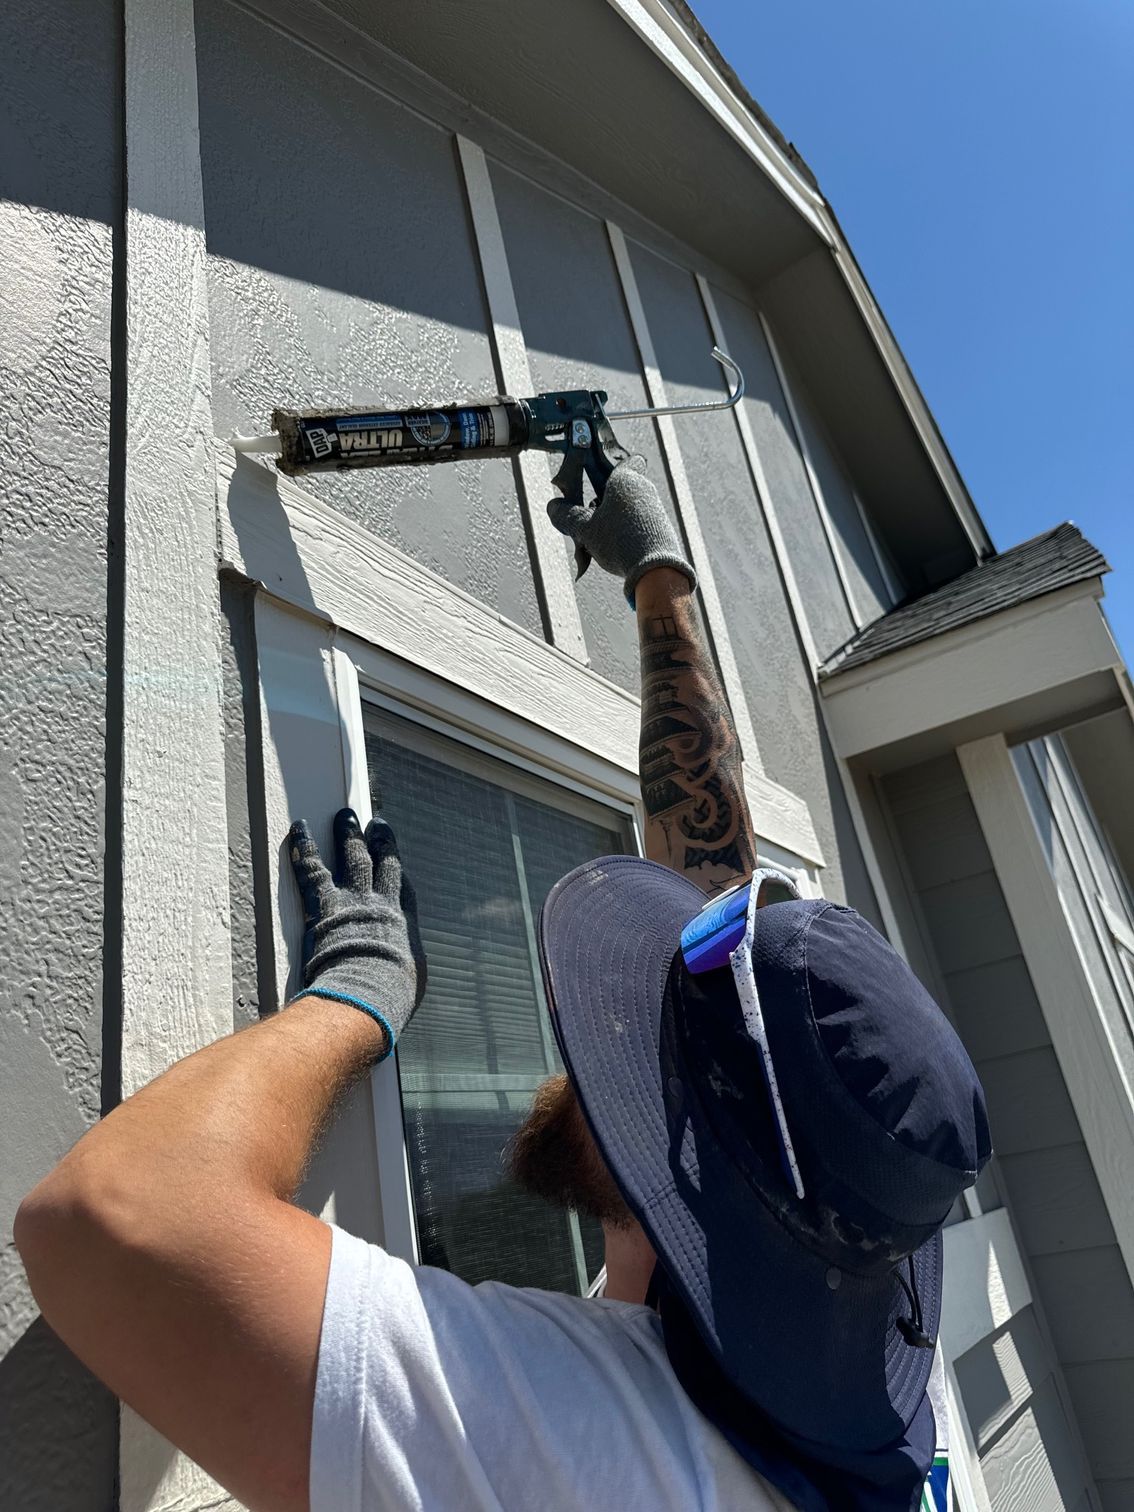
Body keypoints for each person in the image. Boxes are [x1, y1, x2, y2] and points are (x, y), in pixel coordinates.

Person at [16, 458, 989, 1512]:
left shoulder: (602, 1449)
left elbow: (115, 1222)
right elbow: (718, 901)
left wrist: (352, 1000)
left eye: (638, 1035)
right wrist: (662, 590)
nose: (600, 1026)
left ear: (692, 1161)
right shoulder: (859, 1350)